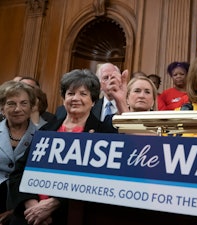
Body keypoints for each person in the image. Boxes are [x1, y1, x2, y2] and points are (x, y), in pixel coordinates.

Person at [8, 69, 117, 225]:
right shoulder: (46, 130)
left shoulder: (102, 132)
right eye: (71, 93)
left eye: (83, 94)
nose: (76, 98)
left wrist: (55, 203)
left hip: (69, 215)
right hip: (29, 216)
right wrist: (31, 204)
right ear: (64, 98)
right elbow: (19, 171)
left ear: (93, 101)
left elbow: (100, 181)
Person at [0, 81, 37, 224]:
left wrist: (14, 210)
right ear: (2, 107)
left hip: (24, 207)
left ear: (32, 107)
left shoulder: (43, 135)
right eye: (11, 103)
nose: (17, 109)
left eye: (24, 103)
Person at [55, 63, 120, 121]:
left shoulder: (126, 106)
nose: (111, 81)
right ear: (99, 84)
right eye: (105, 78)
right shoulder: (61, 113)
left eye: (113, 77)